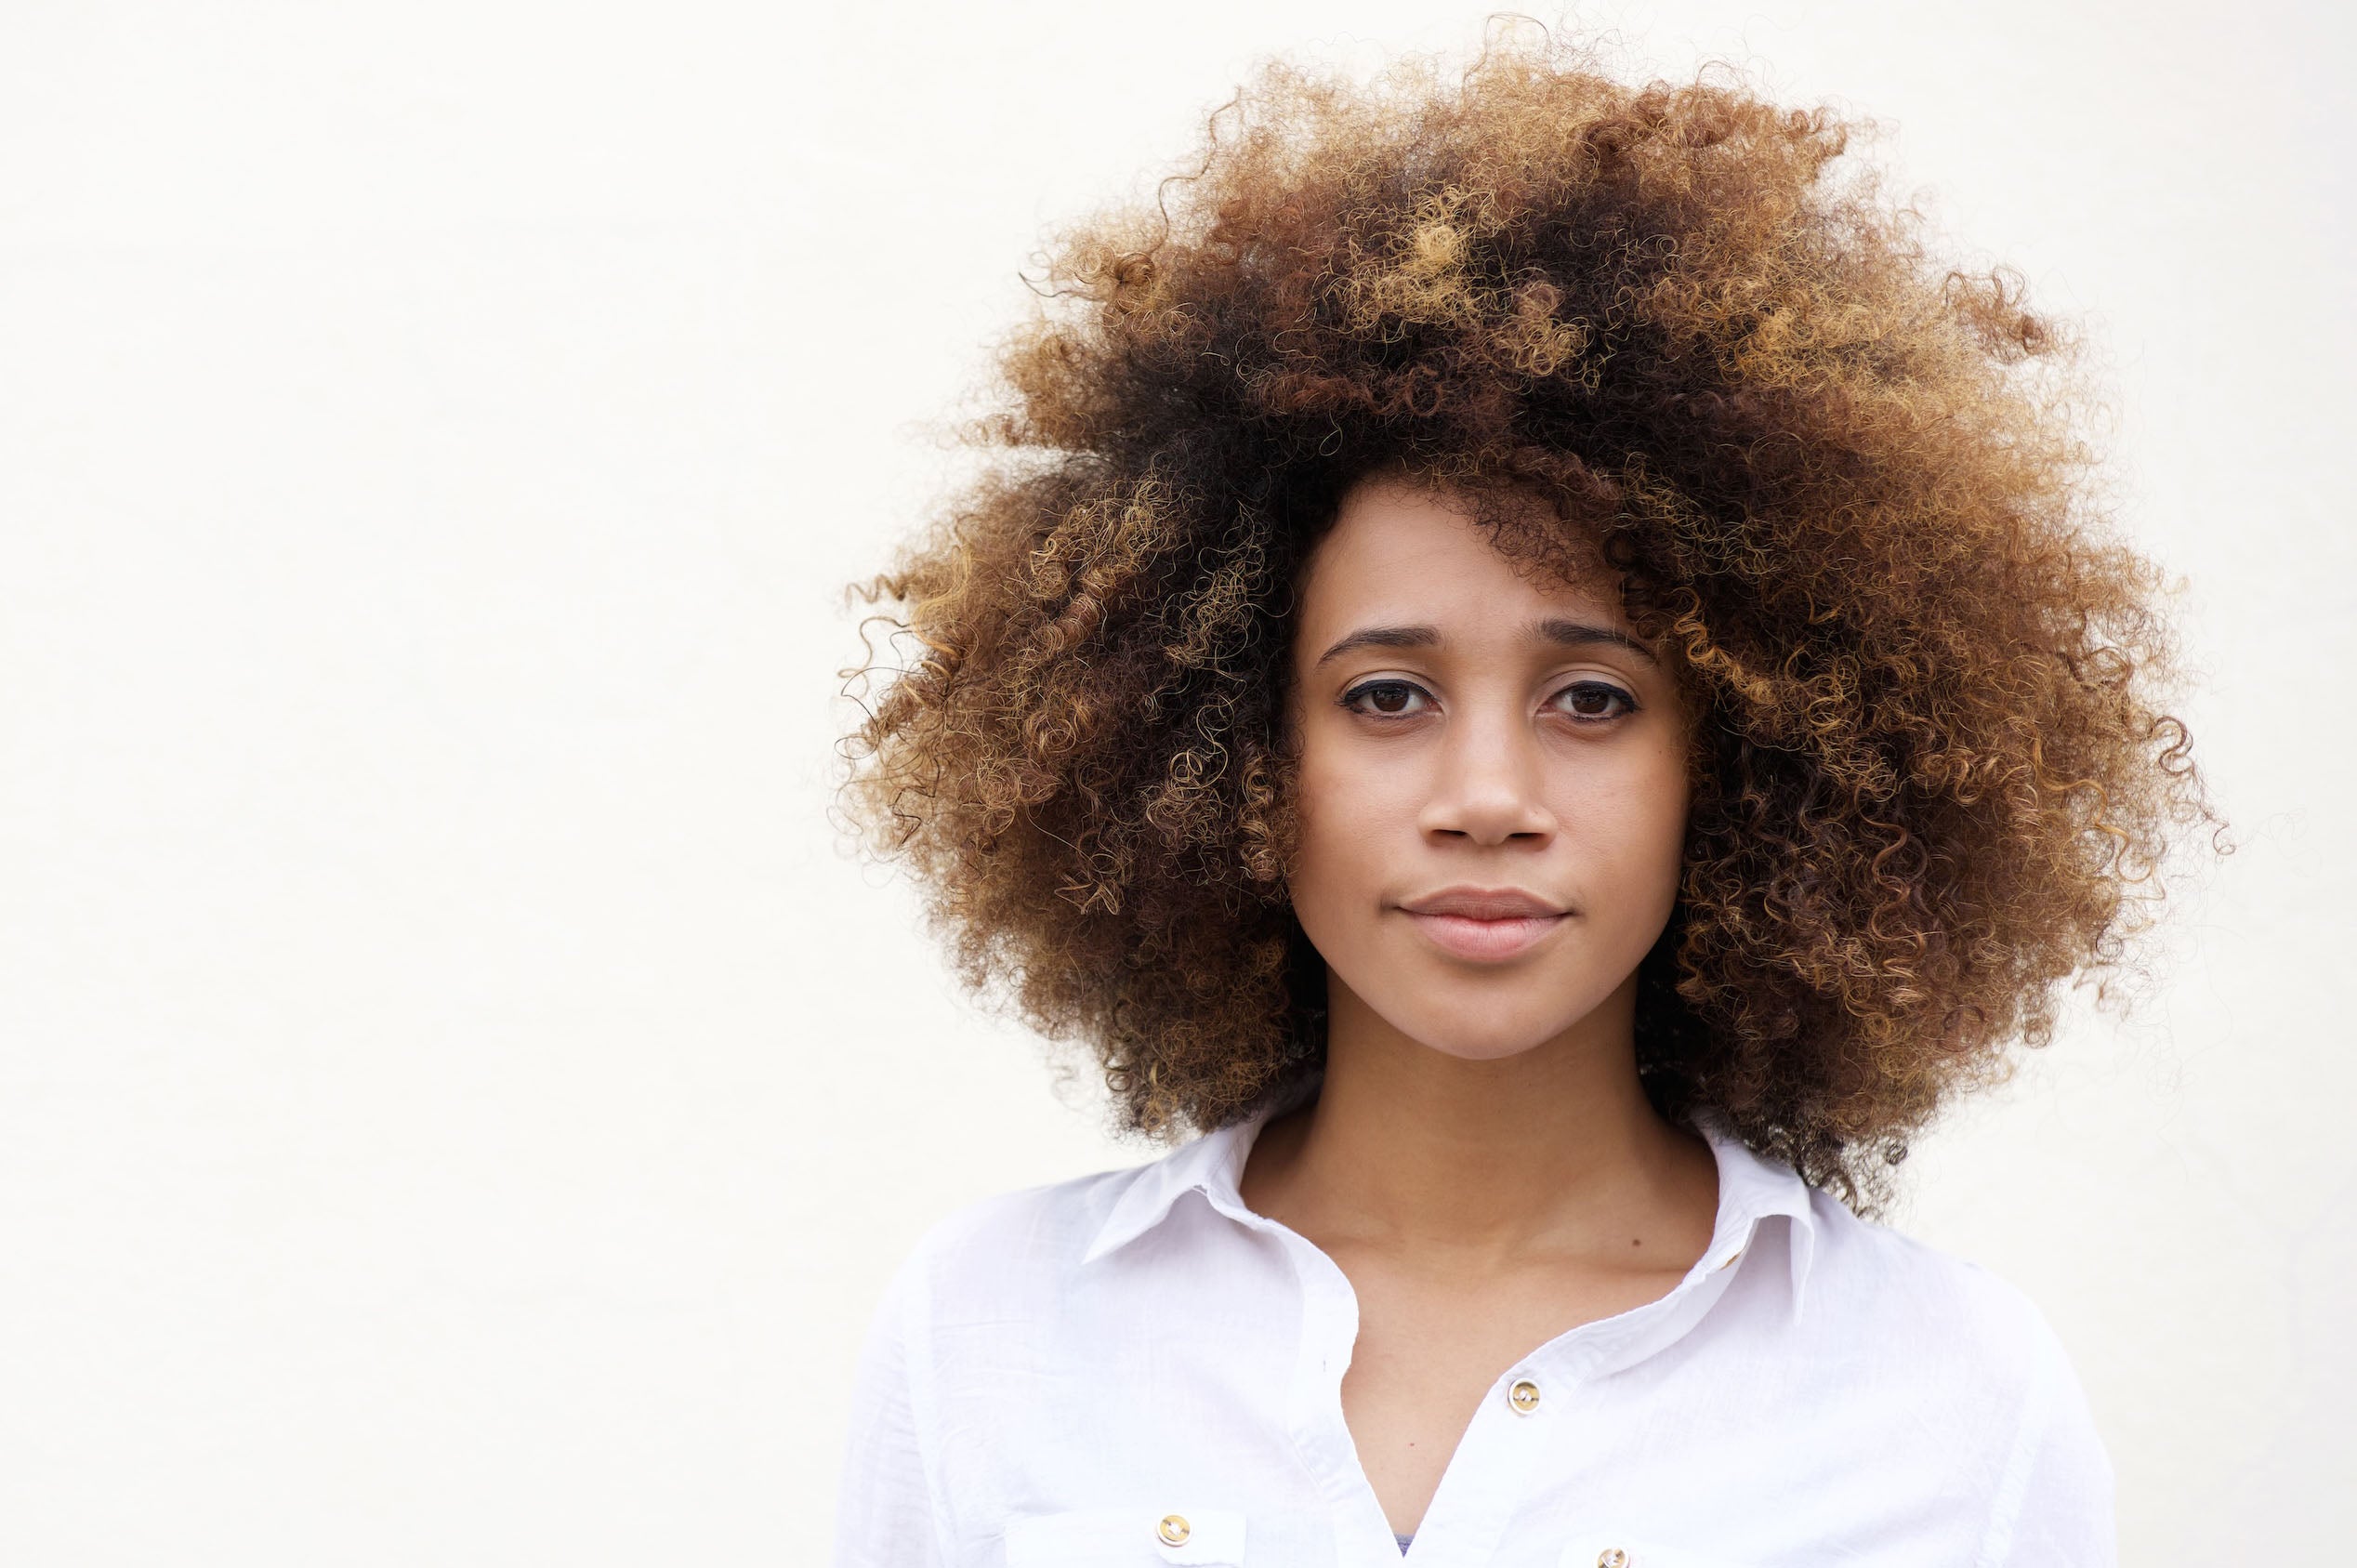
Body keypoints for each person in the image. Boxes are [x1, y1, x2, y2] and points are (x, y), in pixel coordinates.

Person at [830, 38, 2210, 1568]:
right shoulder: (991, 1332)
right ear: (1224, 746)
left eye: (1595, 702)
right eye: (1386, 697)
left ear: (1746, 767)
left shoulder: (1956, 1404)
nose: (1488, 798)